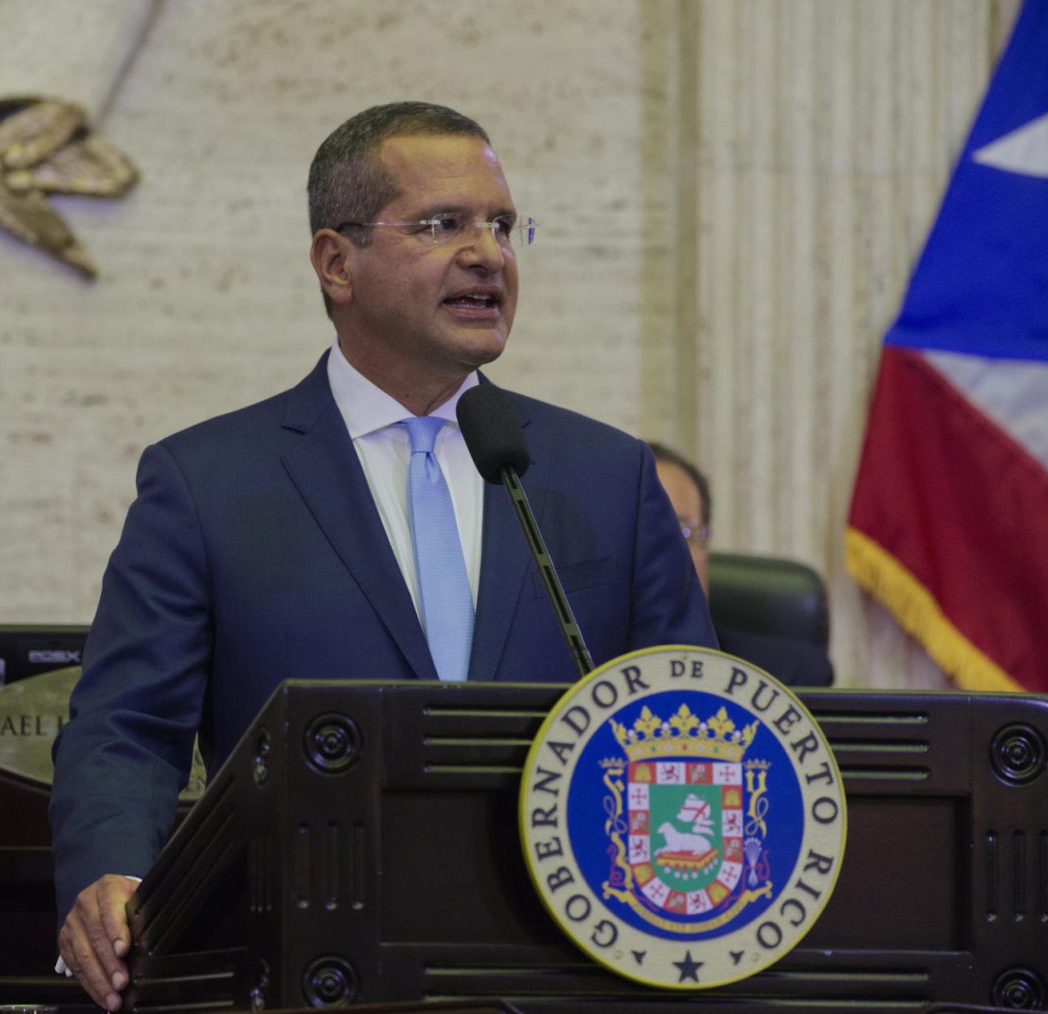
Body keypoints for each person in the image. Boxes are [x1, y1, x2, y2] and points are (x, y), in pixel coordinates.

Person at [51, 101, 716, 1010]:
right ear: (336, 262)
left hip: (567, 971)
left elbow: (693, 724)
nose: (488, 253)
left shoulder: (606, 476)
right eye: (443, 224)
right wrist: (111, 876)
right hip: (307, 964)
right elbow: (126, 728)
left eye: (503, 226)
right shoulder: (208, 483)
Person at [648, 442, 834, 687]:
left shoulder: (787, 677)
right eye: (646, 531)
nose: (667, 551)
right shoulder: (583, 677)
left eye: (683, 531)